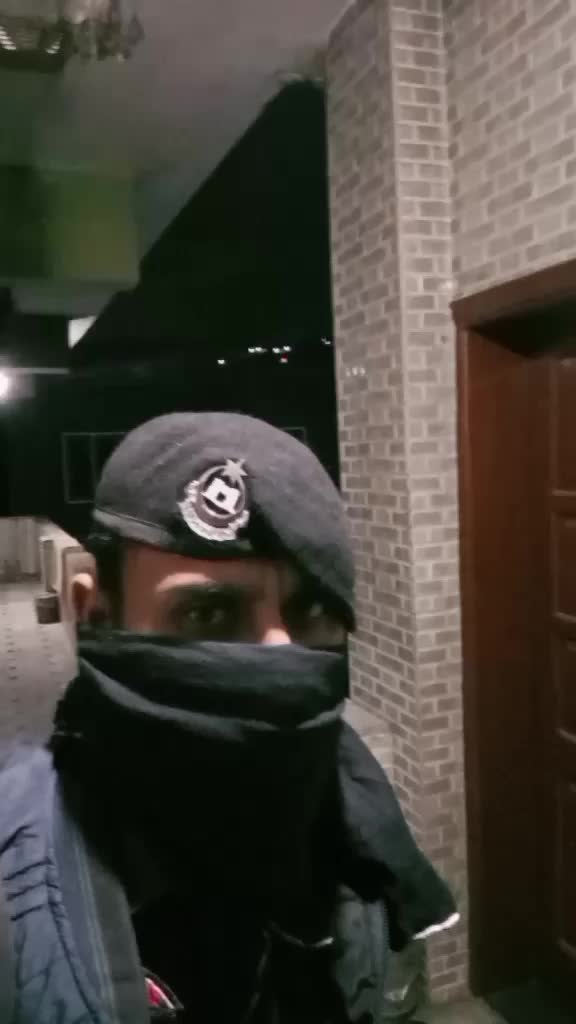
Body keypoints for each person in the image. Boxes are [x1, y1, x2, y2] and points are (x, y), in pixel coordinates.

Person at [0, 412, 457, 1024]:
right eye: (209, 614)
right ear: (96, 616)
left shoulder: (364, 844)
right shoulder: (15, 885)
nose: (280, 658)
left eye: (312, 612)